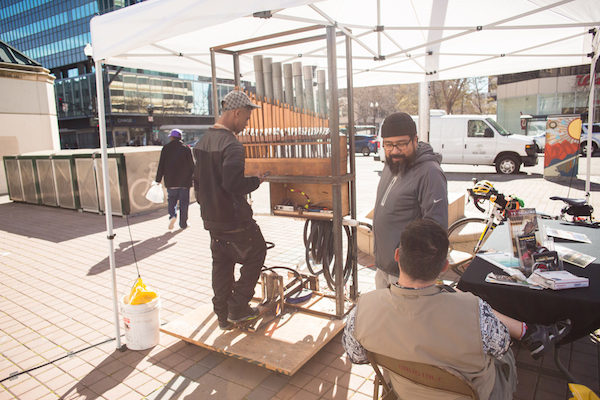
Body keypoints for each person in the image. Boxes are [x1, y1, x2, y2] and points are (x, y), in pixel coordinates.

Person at [343, 219, 571, 399]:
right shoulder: (474, 312)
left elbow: (357, 356)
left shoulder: (363, 309)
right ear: (444, 267)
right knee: (504, 358)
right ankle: (530, 332)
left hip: (405, 391)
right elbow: (501, 347)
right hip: (473, 394)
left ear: (396, 256)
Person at [193, 90, 268, 330]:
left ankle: (222, 314)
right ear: (236, 112)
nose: (247, 123)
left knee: (222, 264)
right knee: (257, 252)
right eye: (246, 117)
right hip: (234, 220)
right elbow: (233, 184)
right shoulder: (232, 146)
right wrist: (256, 180)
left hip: (212, 219)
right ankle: (238, 307)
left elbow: (198, 182)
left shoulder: (202, 141)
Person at [373, 111, 448, 289]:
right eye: (388, 145)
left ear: (415, 140)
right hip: (384, 267)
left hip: (407, 277)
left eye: (401, 144)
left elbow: (435, 229)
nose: (394, 150)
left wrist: (415, 275)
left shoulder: (430, 173)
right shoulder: (392, 164)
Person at [155, 128, 194, 230]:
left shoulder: (166, 148)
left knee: (172, 200)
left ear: (172, 137)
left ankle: (172, 216)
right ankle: (183, 224)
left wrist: (158, 180)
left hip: (171, 181)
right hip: (184, 182)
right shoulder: (186, 148)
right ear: (180, 137)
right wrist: (194, 178)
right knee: (184, 203)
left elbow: (161, 165)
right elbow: (192, 166)